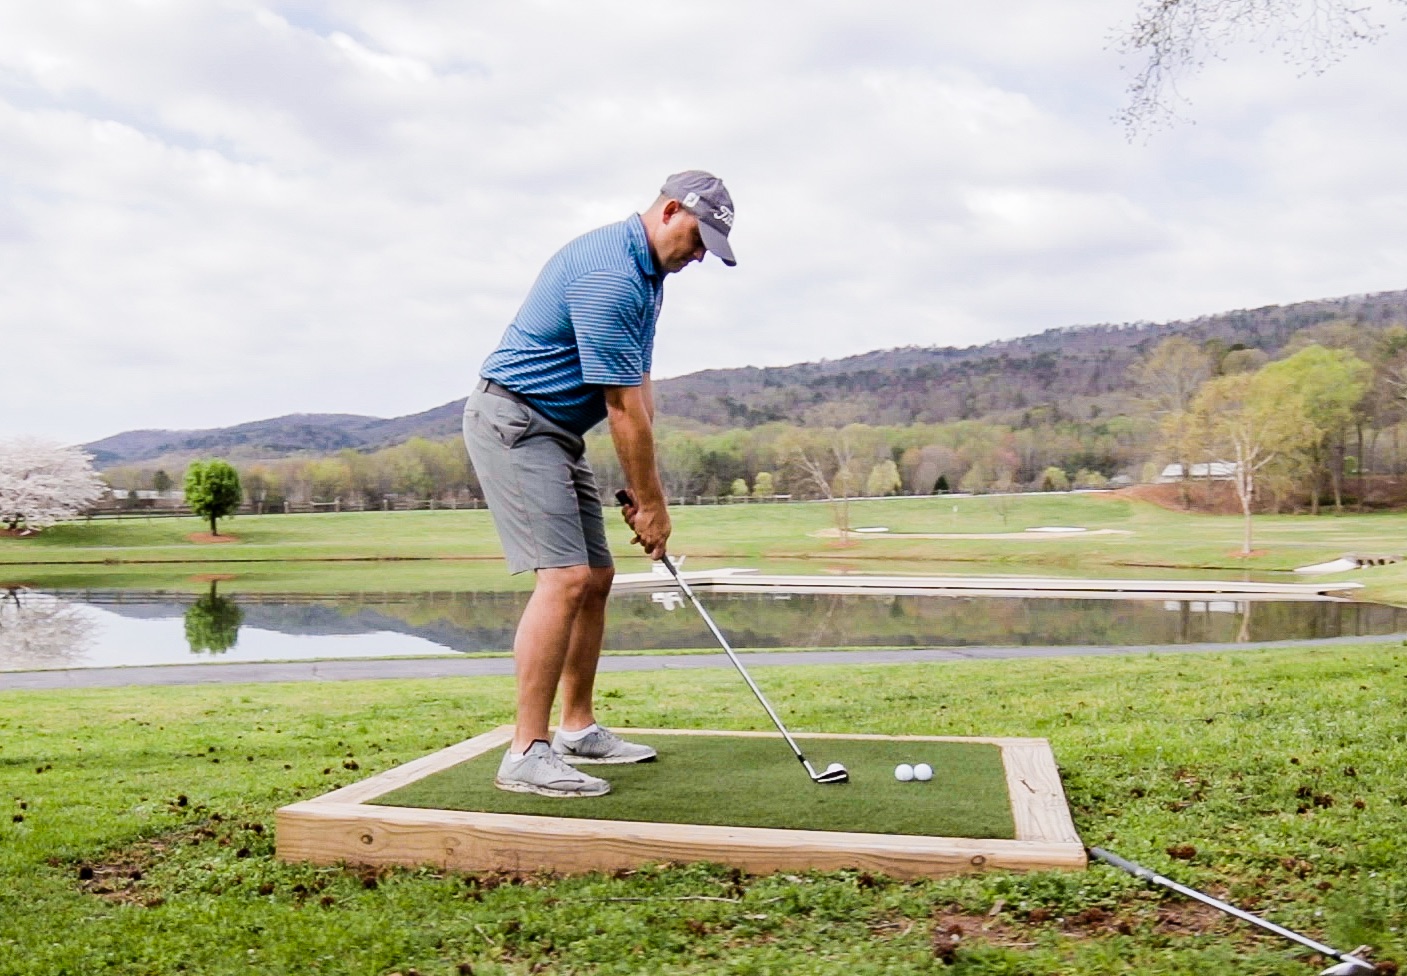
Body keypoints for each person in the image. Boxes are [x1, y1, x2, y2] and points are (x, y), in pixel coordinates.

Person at [462, 171, 737, 797]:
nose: (699, 256)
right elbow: (618, 409)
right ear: (670, 211)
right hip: (515, 422)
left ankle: (577, 728)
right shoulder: (612, 274)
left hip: (557, 430)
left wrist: (645, 495)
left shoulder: (649, 276)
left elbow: (637, 390)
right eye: (699, 239)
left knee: (598, 576)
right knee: (564, 578)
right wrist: (654, 505)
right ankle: (526, 753)